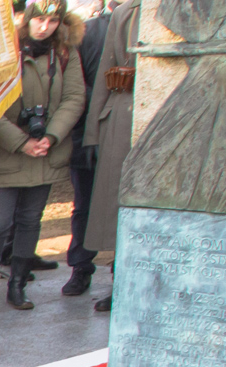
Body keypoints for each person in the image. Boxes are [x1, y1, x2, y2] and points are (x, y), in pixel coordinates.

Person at [0, 0, 86, 313]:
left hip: (46, 150)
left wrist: (50, 136)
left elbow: (74, 98)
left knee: (31, 219)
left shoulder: (65, 54)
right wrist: (21, 142)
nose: (45, 27)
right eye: (39, 19)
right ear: (26, 18)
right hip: (7, 150)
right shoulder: (2, 48)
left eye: (53, 20)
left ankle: (17, 285)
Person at [82, 0, 138, 313]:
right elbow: (107, 71)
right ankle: (119, 286)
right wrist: (93, 134)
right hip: (123, 117)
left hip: (164, 119)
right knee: (118, 208)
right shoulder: (124, 11)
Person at [60, 0, 112, 298]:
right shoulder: (86, 31)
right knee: (84, 205)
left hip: (122, 128)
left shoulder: (141, 24)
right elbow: (75, 87)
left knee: (119, 206)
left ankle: (120, 270)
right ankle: (81, 267)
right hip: (86, 130)